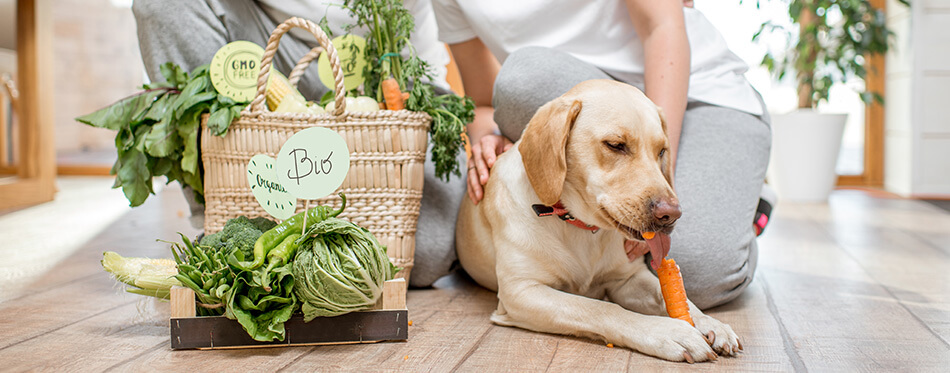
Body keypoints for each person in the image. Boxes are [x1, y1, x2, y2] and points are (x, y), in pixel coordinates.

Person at [432, 0, 772, 309]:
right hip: (574, 95)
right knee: (523, 77)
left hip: (699, 93)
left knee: (701, 278)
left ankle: (744, 206)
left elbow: (662, 28)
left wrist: (659, 177)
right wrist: (488, 137)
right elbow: (483, 100)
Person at [131, 0, 468, 287]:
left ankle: (332, 228)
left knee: (425, 254)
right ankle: (225, 224)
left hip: (380, 74)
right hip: (264, 48)